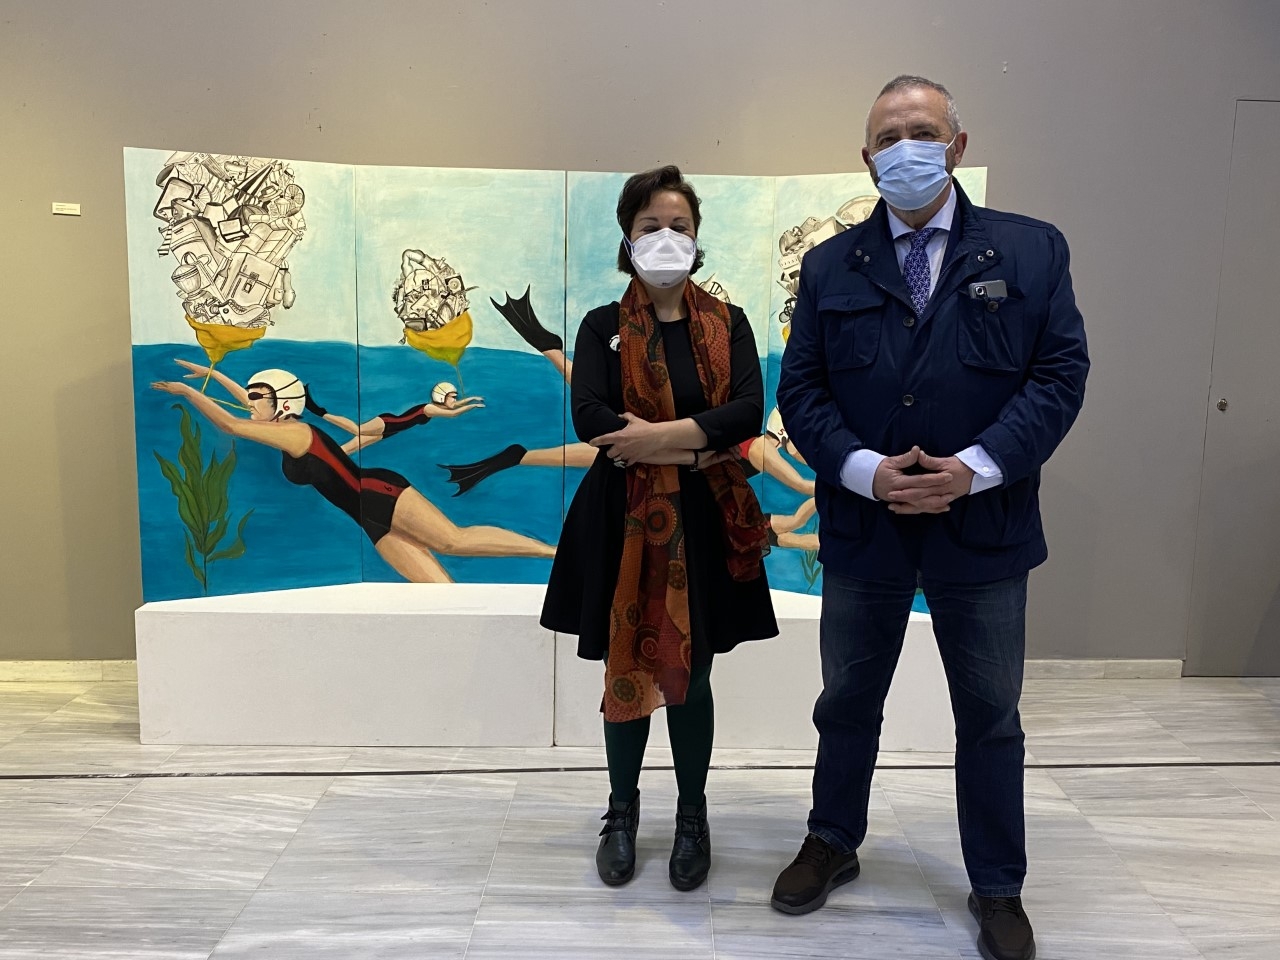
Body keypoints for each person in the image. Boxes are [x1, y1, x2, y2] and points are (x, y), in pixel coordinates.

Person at [773, 76, 1088, 960]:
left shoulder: (1030, 250)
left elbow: (1059, 376)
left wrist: (974, 470)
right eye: (888, 137)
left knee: (989, 714)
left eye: (923, 130)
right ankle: (832, 839)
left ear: (956, 143)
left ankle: (998, 885)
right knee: (847, 701)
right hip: (865, 529)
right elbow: (803, 390)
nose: (906, 147)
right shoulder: (831, 266)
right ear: (866, 158)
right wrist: (866, 472)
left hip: (983, 531)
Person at [540, 166, 777, 892]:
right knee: (626, 660)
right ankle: (621, 812)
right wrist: (693, 445)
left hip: (706, 521)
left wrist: (655, 440)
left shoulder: (729, 323)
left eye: (680, 226)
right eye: (651, 227)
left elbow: (746, 412)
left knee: (693, 669)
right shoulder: (601, 327)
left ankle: (692, 816)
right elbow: (591, 419)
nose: (666, 238)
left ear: (698, 239)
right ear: (627, 239)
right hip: (621, 519)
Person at [152, 365, 556, 582]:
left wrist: (188, 392)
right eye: (253, 396)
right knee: (441, 593)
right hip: (368, 517)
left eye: (258, 397)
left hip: (381, 492)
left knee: (453, 541)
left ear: (283, 404)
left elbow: (232, 424)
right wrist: (213, 375)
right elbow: (247, 406)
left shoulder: (296, 432)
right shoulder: (281, 427)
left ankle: (554, 553)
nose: (250, 402)